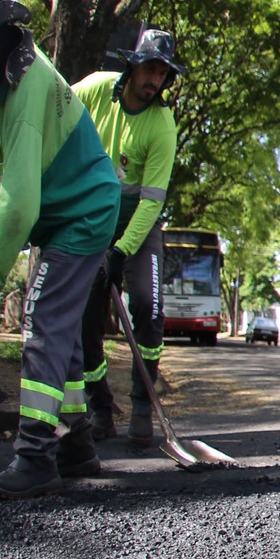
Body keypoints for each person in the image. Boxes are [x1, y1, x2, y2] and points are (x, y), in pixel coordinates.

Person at [0, 0, 120, 500]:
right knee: (59, 328)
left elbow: (19, 206)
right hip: (75, 213)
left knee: (41, 320)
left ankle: (36, 456)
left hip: (81, 215)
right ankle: (78, 441)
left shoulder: (23, 90)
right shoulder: (19, 75)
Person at [72, 28, 182, 450]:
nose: (155, 79)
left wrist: (121, 250)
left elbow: (152, 202)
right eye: (150, 68)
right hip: (92, 218)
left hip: (139, 225)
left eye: (163, 73)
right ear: (133, 65)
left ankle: (141, 403)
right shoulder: (98, 91)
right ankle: (100, 406)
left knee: (147, 306)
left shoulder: (162, 126)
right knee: (85, 319)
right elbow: (56, 104)